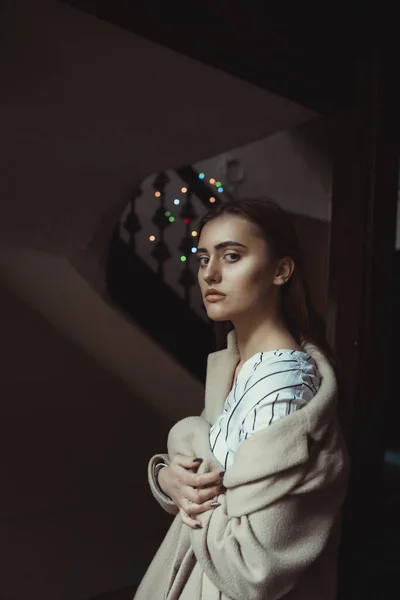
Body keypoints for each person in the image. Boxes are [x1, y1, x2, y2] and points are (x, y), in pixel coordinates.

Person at [134, 197, 349, 600]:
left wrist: (188, 436)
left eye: (231, 256)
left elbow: (251, 567)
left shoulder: (281, 384)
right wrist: (167, 476)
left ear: (281, 271)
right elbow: (211, 480)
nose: (210, 274)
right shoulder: (235, 365)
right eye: (202, 259)